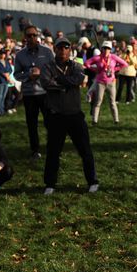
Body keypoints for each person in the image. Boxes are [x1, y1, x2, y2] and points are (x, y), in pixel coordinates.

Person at [39, 37, 98, 195]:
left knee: (85, 149)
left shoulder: (76, 65)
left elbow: (79, 79)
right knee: (53, 152)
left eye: (66, 48)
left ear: (69, 50)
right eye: (60, 48)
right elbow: (45, 82)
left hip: (75, 115)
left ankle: (92, 181)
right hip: (56, 116)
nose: (63, 51)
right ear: (55, 50)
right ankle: (50, 183)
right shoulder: (47, 66)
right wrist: (66, 83)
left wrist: (59, 80)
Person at [13, 25, 54, 158]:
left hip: (45, 93)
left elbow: (54, 70)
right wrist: (28, 76)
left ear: (38, 36)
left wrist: (42, 74)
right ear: (25, 37)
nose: (32, 38)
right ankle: (35, 150)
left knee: (50, 122)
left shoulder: (47, 52)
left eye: (34, 35)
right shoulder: (20, 55)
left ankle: (53, 147)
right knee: (32, 124)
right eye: (29, 35)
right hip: (29, 94)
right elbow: (16, 75)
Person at [84, 41, 127, 125]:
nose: (106, 50)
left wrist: (115, 69)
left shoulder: (113, 57)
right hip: (100, 82)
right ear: (102, 49)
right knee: (98, 101)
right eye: (105, 48)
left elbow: (124, 64)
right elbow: (86, 63)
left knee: (112, 102)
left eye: (108, 48)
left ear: (110, 49)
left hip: (111, 82)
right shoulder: (98, 58)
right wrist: (94, 69)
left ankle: (116, 120)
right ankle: (94, 120)